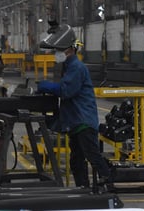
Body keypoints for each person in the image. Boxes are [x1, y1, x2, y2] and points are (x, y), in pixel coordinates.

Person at [37, 24, 113, 191]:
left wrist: (46, 86)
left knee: (92, 155)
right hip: (75, 122)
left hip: (83, 121)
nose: (56, 53)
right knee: (76, 160)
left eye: (58, 50)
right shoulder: (68, 66)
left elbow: (66, 90)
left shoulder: (77, 67)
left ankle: (108, 184)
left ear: (69, 50)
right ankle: (83, 189)